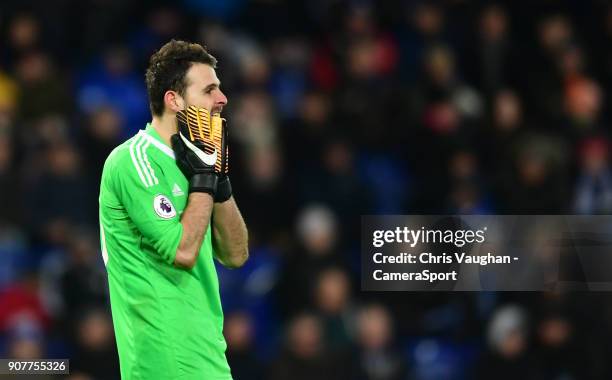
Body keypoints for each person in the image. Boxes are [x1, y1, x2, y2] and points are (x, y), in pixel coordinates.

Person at [98, 39, 249, 379]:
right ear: (174, 99)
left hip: (207, 352)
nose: (222, 99)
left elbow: (236, 254)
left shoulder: (198, 163)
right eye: (209, 90)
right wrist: (203, 179)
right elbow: (183, 251)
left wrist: (218, 182)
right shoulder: (133, 161)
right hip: (162, 357)